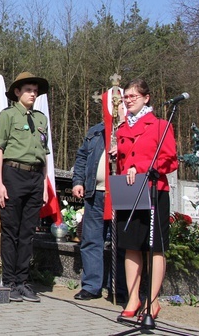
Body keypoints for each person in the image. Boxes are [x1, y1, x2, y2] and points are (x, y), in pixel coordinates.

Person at [110, 79, 178, 321]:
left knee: (154, 248)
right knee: (130, 245)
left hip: (153, 190)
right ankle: (133, 297)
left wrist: (140, 167)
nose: (128, 100)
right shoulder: (121, 129)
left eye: (133, 96)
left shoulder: (159, 125)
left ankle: (153, 299)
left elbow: (171, 160)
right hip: (128, 191)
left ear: (146, 98)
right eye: (126, 96)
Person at [0, 72, 50, 303]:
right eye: (28, 90)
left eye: (35, 90)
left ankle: (23, 281)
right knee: (11, 231)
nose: (33, 94)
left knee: (27, 233)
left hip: (35, 177)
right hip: (13, 174)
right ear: (17, 92)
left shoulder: (41, 118)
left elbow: (44, 154)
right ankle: (10, 282)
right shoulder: (7, 116)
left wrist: (44, 185)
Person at [71, 121, 127, 303]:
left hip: (120, 192)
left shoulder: (132, 128)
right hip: (95, 193)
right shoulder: (96, 131)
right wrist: (78, 181)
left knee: (121, 243)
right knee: (91, 240)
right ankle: (91, 287)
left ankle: (119, 288)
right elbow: (82, 157)